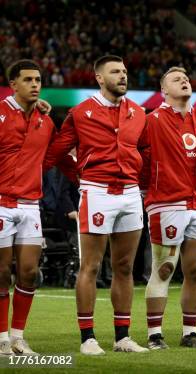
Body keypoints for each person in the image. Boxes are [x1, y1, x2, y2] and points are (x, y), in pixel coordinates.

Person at [44, 55, 150, 355]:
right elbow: (55, 153)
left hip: (130, 194)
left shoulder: (138, 113)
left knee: (125, 267)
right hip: (97, 192)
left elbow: (147, 151)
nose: (122, 76)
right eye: (115, 72)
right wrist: (78, 175)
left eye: (125, 71)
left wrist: (140, 179)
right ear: (99, 78)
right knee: (90, 266)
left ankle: (122, 337)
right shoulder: (81, 113)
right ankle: (88, 337)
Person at [0, 60, 73, 356]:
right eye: (28, 80)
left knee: (29, 273)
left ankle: (18, 337)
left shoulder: (45, 120)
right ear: (13, 84)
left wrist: (85, 178)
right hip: (1, 202)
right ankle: (2, 337)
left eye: (38, 80)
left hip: (30, 205)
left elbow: (58, 157)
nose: (35, 84)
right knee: (1, 273)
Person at [141, 67, 196, 350]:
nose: (184, 81)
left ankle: (190, 332)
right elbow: (135, 154)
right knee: (163, 269)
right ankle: (154, 334)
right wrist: (147, 185)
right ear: (163, 91)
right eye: (176, 79)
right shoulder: (151, 121)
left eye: (186, 78)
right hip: (166, 203)